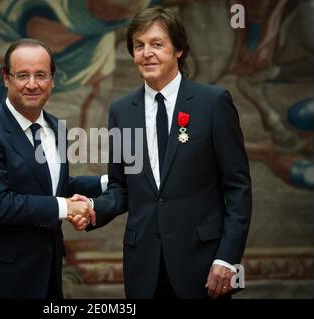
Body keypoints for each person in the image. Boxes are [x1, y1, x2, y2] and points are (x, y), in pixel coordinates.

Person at [72, 7, 252, 299]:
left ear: (178, 49)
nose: (146, 53)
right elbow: (122, 187)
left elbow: (238, 187)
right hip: (143, 268)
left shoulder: (213, 103)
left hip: (203, 265)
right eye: (139, 46)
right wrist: (93, 208)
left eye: (157, 44)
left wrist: (226, 258)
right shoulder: (121, 111)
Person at [0, 38, 105, 299]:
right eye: (22, 75)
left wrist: (110, 182)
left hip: (45, 276)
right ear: (6, 78)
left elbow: (54, 187)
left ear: (52, 80)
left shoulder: (57, 128)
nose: (32, 84)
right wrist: (66, 208)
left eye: (41, 75)